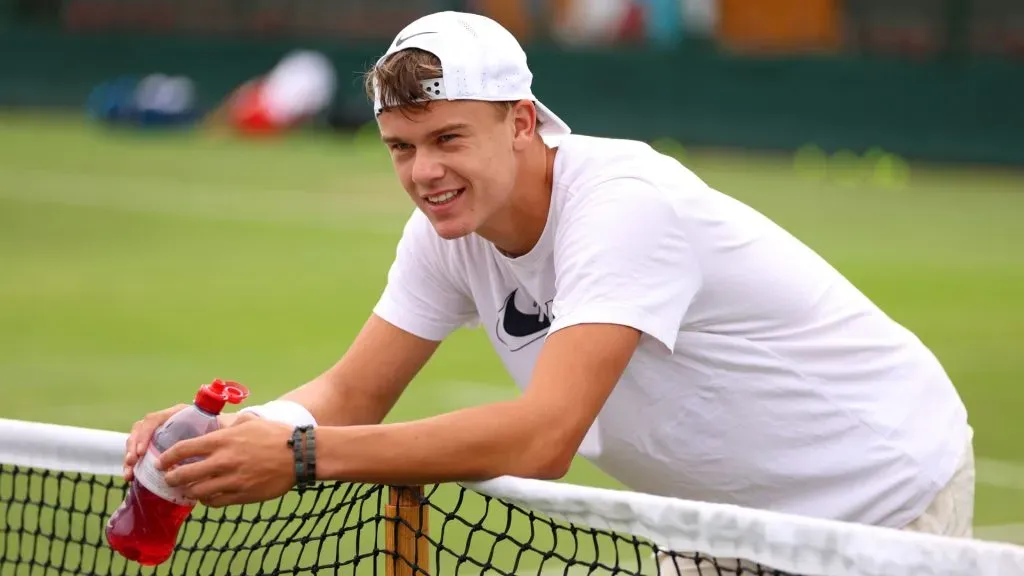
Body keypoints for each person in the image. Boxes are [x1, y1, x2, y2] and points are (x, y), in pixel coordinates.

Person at [122, 10, 975, 574]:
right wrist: (227, 435)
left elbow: (543, 437)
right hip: (716, 523)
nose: (424, 172)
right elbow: (351, 392)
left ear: (522, 122)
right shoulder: (444, 236)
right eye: (401, 147)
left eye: (448, 138)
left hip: (878, 500)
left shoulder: (623, 204)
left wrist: (302, 459)